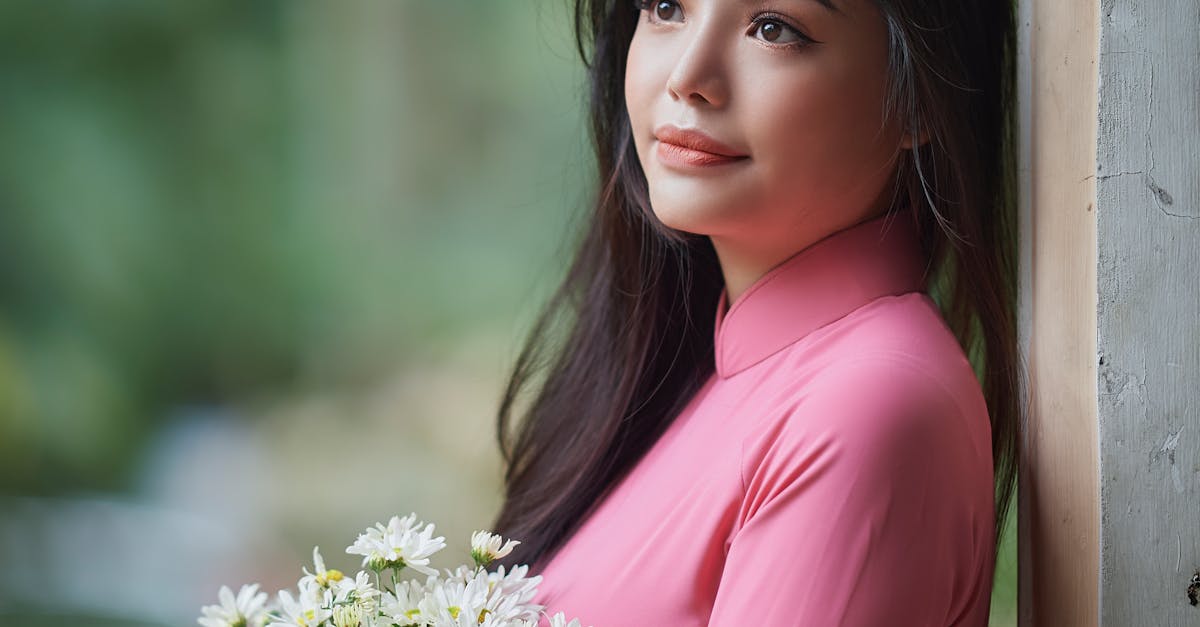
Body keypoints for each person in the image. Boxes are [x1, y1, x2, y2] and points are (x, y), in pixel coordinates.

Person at [489, 0, 1023, 624]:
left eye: (774, 29)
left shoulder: (867, 403)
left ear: (921, 98)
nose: (688, 76)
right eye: (666, 7)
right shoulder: (694, 377)